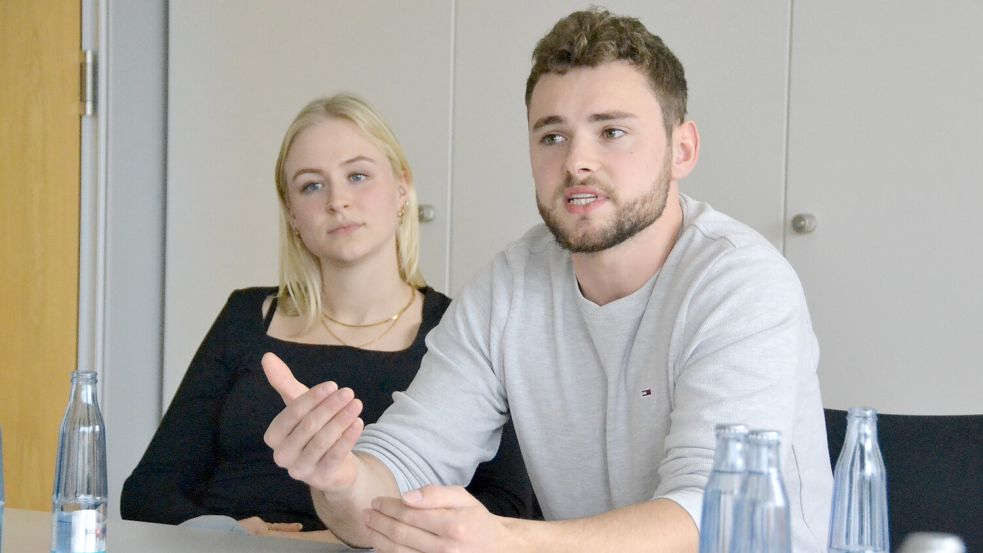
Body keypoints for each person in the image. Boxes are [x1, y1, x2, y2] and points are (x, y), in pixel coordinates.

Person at [262, 8, 832, 552]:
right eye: (552, 136)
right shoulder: (510, 286)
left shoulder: (741, 285)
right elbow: (397, 475)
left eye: (611, 132)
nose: (577, 161)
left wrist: (508, 541)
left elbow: (712, 521)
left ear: (682, 149)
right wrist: (339, 478)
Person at [119, 93, 537, 541]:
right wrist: (230, 535)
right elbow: (148, 492)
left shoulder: (461, 332)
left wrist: (327, 539)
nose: (338, 200)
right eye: (311, 186)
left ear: (402, 189)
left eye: (358, 176)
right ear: (292, 214)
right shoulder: (245, 317)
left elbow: (508, 508)